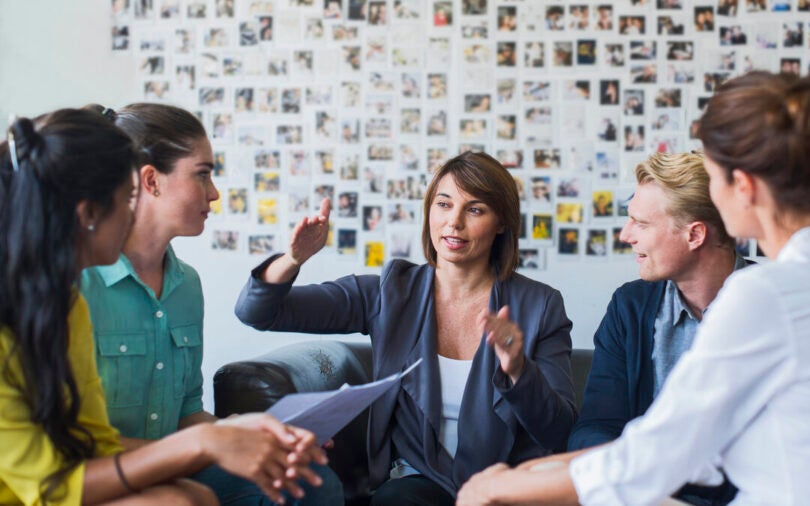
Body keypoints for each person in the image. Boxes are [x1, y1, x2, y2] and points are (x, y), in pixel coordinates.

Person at [458, 72, 810, 505]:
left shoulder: (769, 294)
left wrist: (498, 487)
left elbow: (655, 459)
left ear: (742, 185)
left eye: (714, 173)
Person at [0, 108, 326, 505]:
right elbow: (51, 485)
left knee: (199, 495)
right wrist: (205, 443)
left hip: (112, 468)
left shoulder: (69, 307)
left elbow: (96, 443)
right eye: (126, 199)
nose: (131, 213)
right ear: (88, 214)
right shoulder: (60, 300)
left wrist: (235, 435)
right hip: (46, 488)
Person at [235, 151, 575, 506]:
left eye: (475, 209)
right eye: (444, 204)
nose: (453, 222)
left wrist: (519, 369)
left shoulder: (541, 306)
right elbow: (256, 312)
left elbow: (559, 431)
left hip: (506, 485)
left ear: (501, 223)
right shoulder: (389, 291)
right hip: (417, 482)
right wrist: (293, 259)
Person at [568, 152, 741, 506]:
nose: (625, 234)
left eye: (641, 224)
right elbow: (594, 427)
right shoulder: (629, 307)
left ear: (694, 235)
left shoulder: (771, 307)